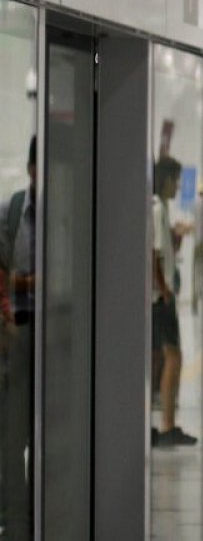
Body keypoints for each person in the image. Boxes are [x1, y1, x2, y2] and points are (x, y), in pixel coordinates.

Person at [151, 155, 203, 446]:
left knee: (160, 357)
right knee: (174, 356)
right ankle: (167, 424)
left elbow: (162, 248)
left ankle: (158, 422)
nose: (177, 186)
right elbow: (153, 254)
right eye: (175, 180)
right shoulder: (157, 207)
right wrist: (164, 289)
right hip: (160, 298)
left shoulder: (157, 208)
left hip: (157, 295)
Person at [0, 138, 36, 539]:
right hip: (18, 334)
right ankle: (16, 524)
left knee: (56, 435)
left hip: (63, 339)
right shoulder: (10, 212)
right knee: (13, 437)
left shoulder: (69, 212)